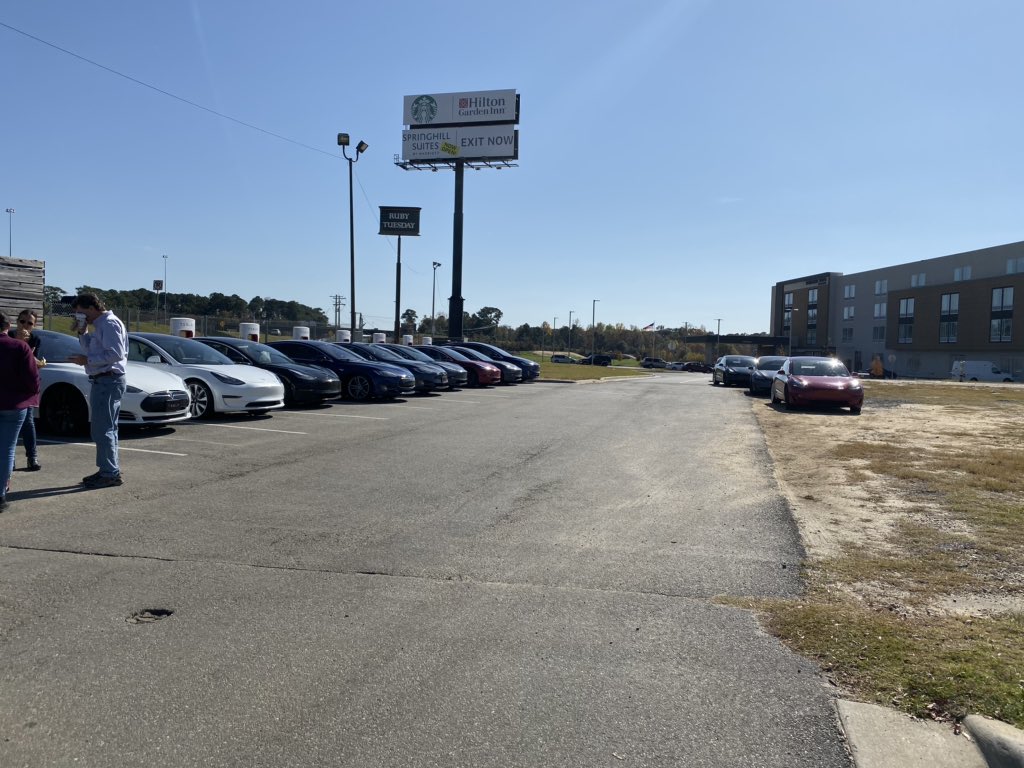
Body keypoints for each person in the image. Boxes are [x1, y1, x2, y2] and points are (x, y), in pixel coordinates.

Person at [68, 293, 128, 488]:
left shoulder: (109, 323)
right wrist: (82, 332)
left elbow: (116, 354)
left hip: (108, 380)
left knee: (103, 429)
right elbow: (90, 351)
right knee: (106, 428)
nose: (79, 316)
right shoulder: (100, 325)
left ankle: (109, 473)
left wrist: (88, 361)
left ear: (91, 308)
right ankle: (108, 469)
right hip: (104, 380)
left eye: (81, 312)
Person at [0, 310, 41, 512]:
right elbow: (32, 380)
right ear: (9, 326)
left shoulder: (24, 344)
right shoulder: (20, 347)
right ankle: (0, 493)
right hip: (14, 405)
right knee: (6, 449)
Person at [9, 309, 45, 471]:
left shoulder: (35, 339)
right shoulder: (8, 335)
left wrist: (24, 345)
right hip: (8, 385)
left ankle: (32, 456)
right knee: (7, 423)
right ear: (17, 321)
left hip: (25, 386)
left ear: (34, 325)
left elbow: (34, 361)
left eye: (29, 323)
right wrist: (17, 341)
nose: (25, 326)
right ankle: (9, 458)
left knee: (28, 422)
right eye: (22, 321)